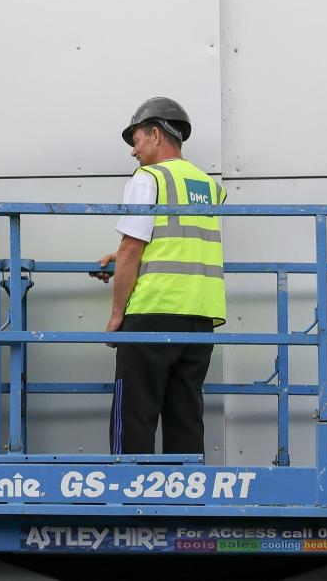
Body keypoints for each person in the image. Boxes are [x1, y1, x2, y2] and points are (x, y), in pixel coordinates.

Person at [92, 97, 227, 455]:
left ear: (155, 134)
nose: (133, 152)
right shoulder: (206, 184)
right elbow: (180, 239)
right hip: (199, 315)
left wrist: (117, 315)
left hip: (152, 312)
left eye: (135, 141)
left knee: (134, 415)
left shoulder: (149, 177)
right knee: (185, 414)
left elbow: (131, 249)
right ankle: (184, 501)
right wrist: (121, 254)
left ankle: (129, 499)